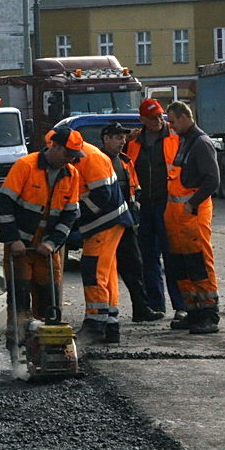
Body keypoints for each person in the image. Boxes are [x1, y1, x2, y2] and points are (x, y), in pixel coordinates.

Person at [0, 128, 84, 354]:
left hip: (47, 249)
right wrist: (13, 239)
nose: (71, 159)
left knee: (50, 298)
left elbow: (70, 214)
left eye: (74, 155)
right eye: (68, 153)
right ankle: (17, 346)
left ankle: (49, 345)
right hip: (21, 248)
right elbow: (4, 203)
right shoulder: (26, 166)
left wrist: (53, 243)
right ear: (54, 146)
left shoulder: (71, 174)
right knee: (20, 297)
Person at [126, 98, 189, 328]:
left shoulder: (175, 136)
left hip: (168, 203)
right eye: (151, 118)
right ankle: (156, 304)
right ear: (142, 119)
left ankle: (181, 305)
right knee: (148, 257)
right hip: (145, 206)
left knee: (172, 256)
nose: (157, 121)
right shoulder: (134, 142)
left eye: (159, 116)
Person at [69, 128, 135, 344]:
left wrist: (74, 217)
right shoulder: (84, 157)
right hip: (105, 223)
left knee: (94, 270)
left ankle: (96, 324)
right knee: (105, 273)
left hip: (105, 223)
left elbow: (101, 197)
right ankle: (109, 324)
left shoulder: (92, 158)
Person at [99, 122, 166, 323]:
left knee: (135, 266)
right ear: (106, 139)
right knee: (104, 271)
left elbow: (134, 190)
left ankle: (141, 309)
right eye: (118, 138)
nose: (122, 142)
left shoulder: (126, 162)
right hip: (103, 225)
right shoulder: (97, 161)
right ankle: (102, 314)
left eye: (123, 138)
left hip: (125, 223)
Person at [163, 101, 221, 334]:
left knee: (199, 264)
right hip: (178, 220)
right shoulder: (185, 141)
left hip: (192, 216)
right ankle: (194, 311)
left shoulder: (201, 143)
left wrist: (192, 204)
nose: (172, 126)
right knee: (181, 267)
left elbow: (212, 180)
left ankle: (209, 314)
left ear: (185, 117)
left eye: (174, 121)